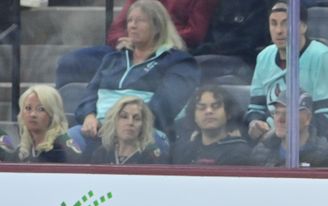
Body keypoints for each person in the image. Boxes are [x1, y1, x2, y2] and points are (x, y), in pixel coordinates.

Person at [73, 0, 200, 152]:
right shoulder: (113, 59)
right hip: (99, 131)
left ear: (158, 27)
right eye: (130, 21)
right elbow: (89, 95)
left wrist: (121, 126)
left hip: (145, 133)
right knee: (69, 140)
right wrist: (89, 116)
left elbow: (165, 107)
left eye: (140, 21)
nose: (132, 25)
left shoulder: (179, 62)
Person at [245, 1, 328, 147]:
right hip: (270, 143)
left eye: (286, 23)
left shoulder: (322, 57)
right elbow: (255, 108)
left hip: (309, 145)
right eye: (274, 23)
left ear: (303, 27)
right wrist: (254, 123)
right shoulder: (264, 57)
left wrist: (285, 132)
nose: (279, 30)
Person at [55, 0, 218, 88]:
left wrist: (154, 40)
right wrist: (133, 41)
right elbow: (115, 31)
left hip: (166, 52)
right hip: (127, 49)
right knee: (70, 62)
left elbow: (195, 33)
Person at [252, 90, 328, 167]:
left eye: (288, 113)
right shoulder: (261, 151)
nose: (280, 119)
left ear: (307, 118)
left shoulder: (325, 157)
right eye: (276, 113)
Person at [172, 86, 254, 165]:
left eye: (216, 106)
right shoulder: (184, 151)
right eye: (201, 107)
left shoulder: (240, 153)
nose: (208, 111)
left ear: (228, 113)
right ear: (194, 116)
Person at [11, 85, 82, 164]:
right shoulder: (24, 149)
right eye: (28, 108)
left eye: (41, 109)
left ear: (52, 114)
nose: (32, 114)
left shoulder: (61, 150)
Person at [90, 96, 165, 165]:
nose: (130, 122)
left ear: (143, 125)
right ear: (114, 121)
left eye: (136, 118)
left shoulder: (151, 157)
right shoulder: (102, 154)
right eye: (124, 117)